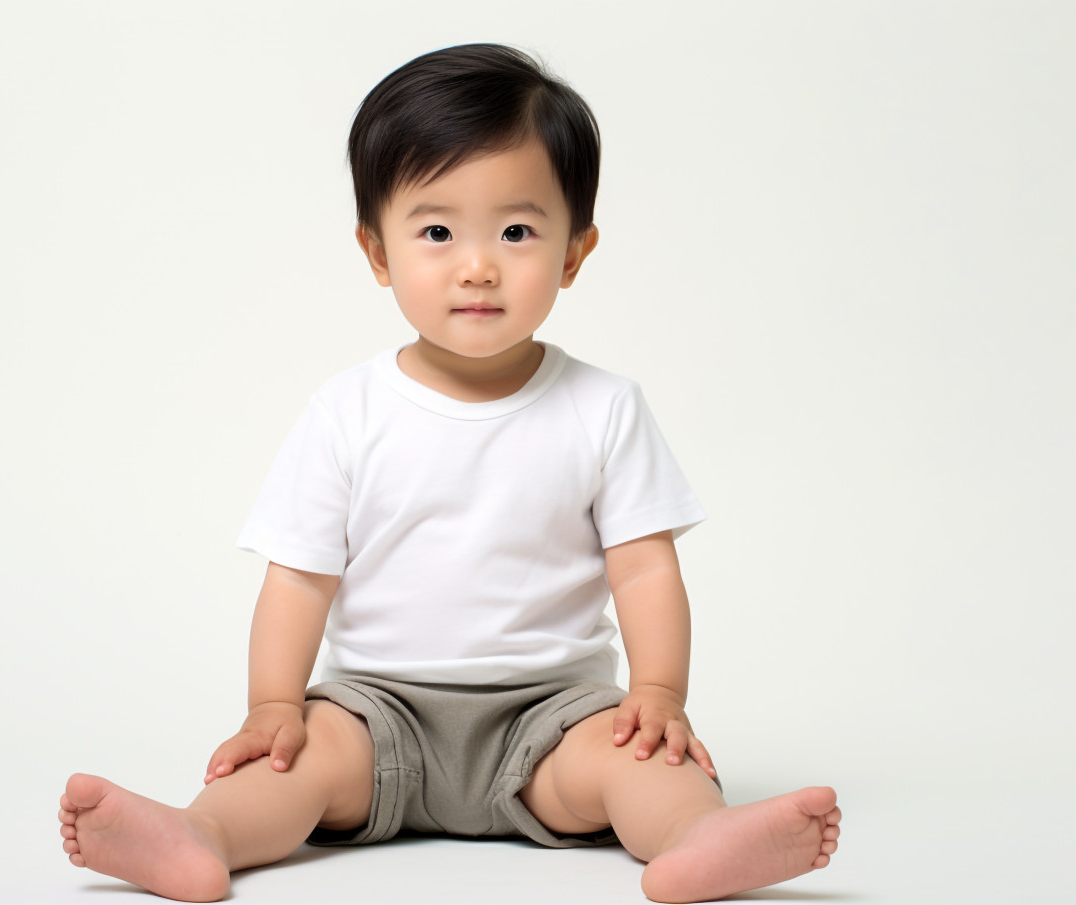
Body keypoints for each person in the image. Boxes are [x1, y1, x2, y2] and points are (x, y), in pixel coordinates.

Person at [57, 43, 841, 903]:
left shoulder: (603, 407)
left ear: (574, 253)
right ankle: (196, 833)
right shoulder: (347, 411)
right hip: (377, 710)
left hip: (550, 717)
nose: (477, 264)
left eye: (517, 230)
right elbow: (299, 578)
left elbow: (646, 565)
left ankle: (700, 836)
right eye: (436, 231)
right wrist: (274, 703)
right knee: (297, 760)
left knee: (639, 761)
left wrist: (657, 691)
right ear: (377, 251)